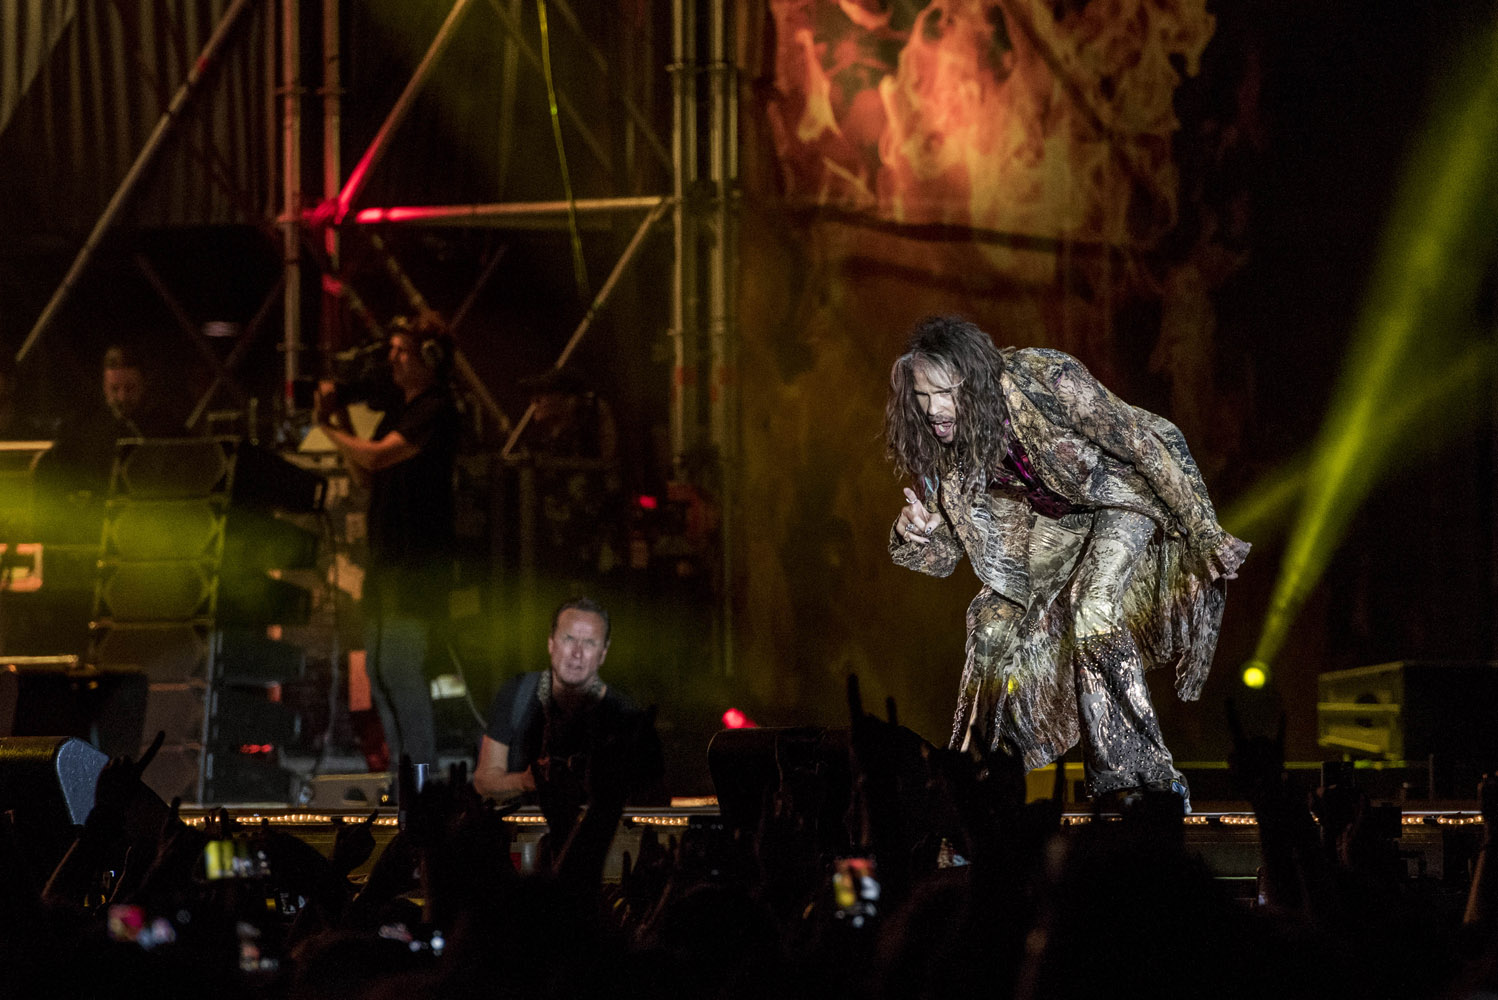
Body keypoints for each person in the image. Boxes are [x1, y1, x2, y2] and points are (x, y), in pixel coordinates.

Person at [884, 315, 1249, 809]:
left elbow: (1140, 444)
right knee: (990, 623)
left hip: (1116, 501)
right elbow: (947, 555)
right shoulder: (946, 450)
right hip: (1053, 532)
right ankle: (973, 772)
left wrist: (1203, 530)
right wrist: (918, 532)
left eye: (944, 393)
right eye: (922, 397)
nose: (933, 410)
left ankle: (1141, 776)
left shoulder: (1045, 377)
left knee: (1092, 604)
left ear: (974, 379)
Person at [316, 315, 460, 770]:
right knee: (378, 672)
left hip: (414, 563)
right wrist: (336, 418)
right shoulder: (399, 413)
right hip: (385, 561)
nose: (392, 360)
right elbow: (365, 474)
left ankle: (422, 775)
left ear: (429, 358)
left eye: (402, 350)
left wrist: (328, 429)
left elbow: (377, 458)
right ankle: (404, 772)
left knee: (399, 668)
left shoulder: (436, 409)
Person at [473, 596, 665, 804]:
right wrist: (525, 781)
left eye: (589, 643)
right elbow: (483, 782)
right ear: (551, 643)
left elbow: (652, 797)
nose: (577, 653)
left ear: (603, 653)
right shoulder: (517, 693)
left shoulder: (626, 717)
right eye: (569, 639)